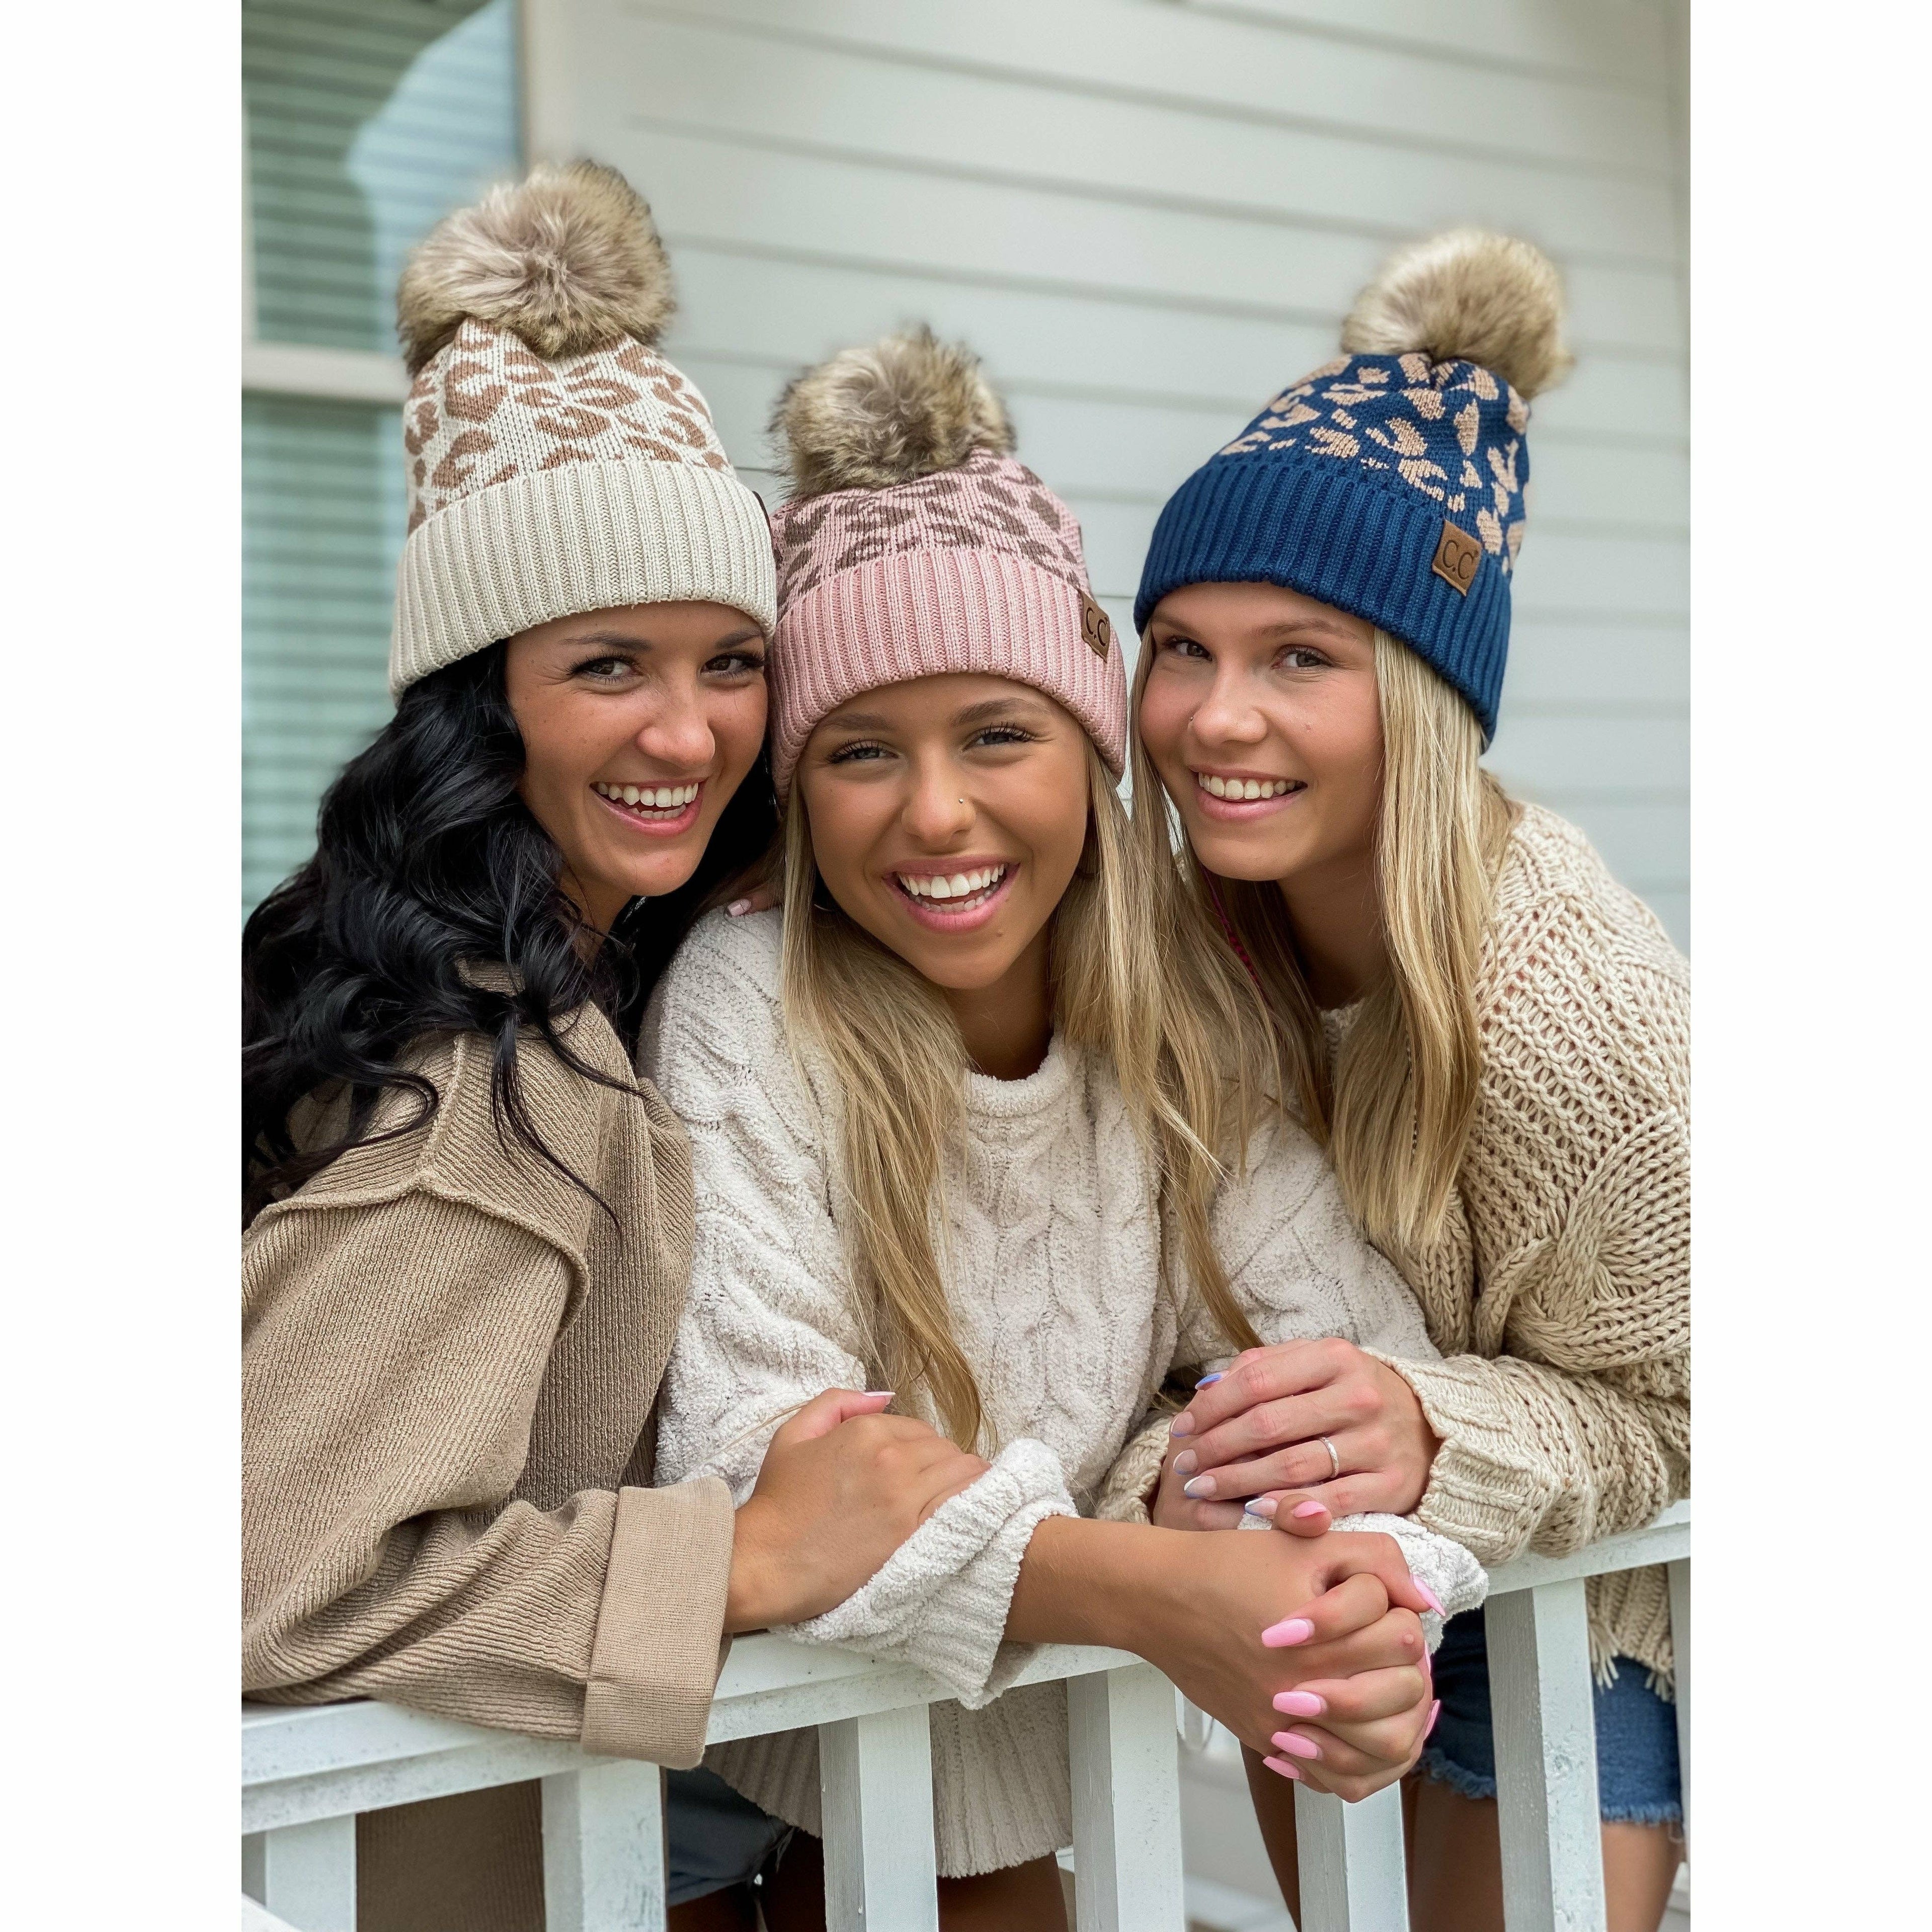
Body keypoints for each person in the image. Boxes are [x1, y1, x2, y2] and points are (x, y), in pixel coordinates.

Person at [646, 330, 1478, 1931]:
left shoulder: (1185, 1019)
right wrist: (1164, 1587)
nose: (935, 813)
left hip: (993, 1766)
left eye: (996, 734)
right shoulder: (750, 1006)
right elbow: (768, 1470)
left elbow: (1346, 1361)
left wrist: (1365, 1600)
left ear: (1092, 753)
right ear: (798, 797)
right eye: (862, 752)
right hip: (711, 1780)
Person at [242, 163, 995, 1932]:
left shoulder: (541, 970)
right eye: (608, 667)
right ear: (480, 693)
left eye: (733, 663)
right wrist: (736, 1559)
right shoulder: (480, 1091)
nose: (689, 731)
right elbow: (271, 1572)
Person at [1120, 229, 1690, 1931]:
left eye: (1301, 657)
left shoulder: (1575, 1022)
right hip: (1321, 1593)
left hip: (1571, 1620)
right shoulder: (1171, 957)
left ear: (1426, 695)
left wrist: (1434, 1418)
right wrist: (1166, 1472)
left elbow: (1703, 1408)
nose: (1216, 718)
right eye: (1180, 647)